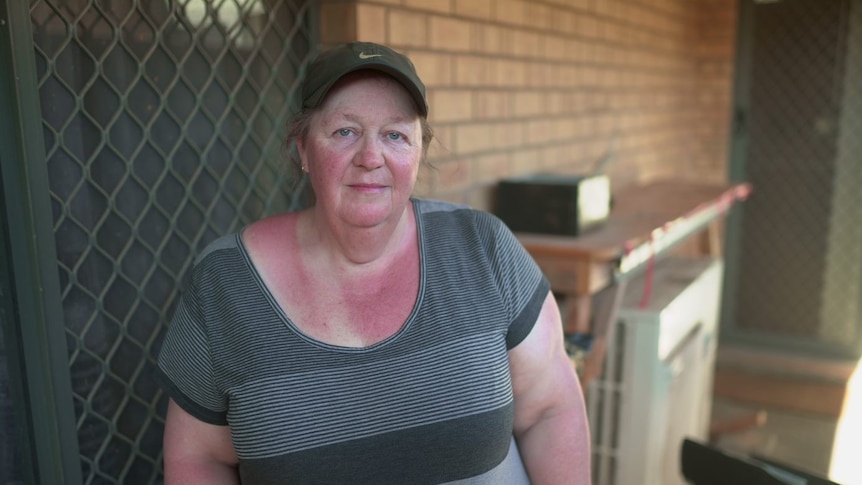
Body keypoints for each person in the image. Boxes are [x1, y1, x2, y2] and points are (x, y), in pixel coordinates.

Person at [156, 41, 590, 484]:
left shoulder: (484, 249)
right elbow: (200, 458)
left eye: (395, 134)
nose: (370, 157)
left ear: (419, 151)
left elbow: (551, 409)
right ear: (303, 149)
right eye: (345, 132)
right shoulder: (225, 284)